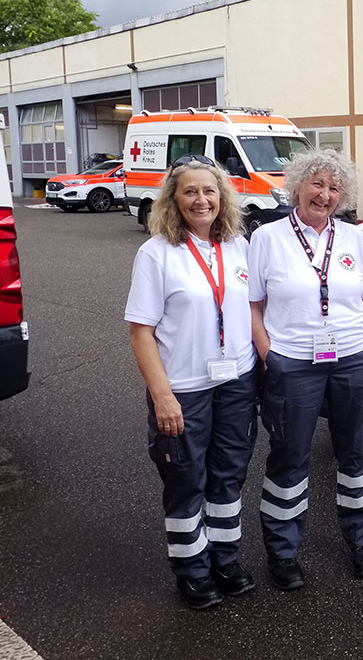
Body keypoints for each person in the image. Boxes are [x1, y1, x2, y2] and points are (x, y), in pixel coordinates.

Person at [125, 155, 258, 610]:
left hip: (236, 380)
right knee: (185, 478)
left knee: (229, 473)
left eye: (209, 191)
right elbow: (141, 331)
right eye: (190, 191)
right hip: (184, 387)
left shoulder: (237, 245)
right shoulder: (157, 253)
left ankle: (225, 559)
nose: (201, 200)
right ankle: (192, 570)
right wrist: (162, 396)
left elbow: (253, 308)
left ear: (222, 197)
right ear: (173, 199)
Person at [248, 148, 363, 588]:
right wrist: (270, 355)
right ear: (298, 186)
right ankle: (283, 553)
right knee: (290, 455)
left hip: (354, 357)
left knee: (356, 450)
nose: (325, 195)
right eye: (317, 184)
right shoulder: (267, 238)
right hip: (293, 362)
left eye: (334, 187)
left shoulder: (353, 238)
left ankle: (362, 541)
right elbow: (253, 305)